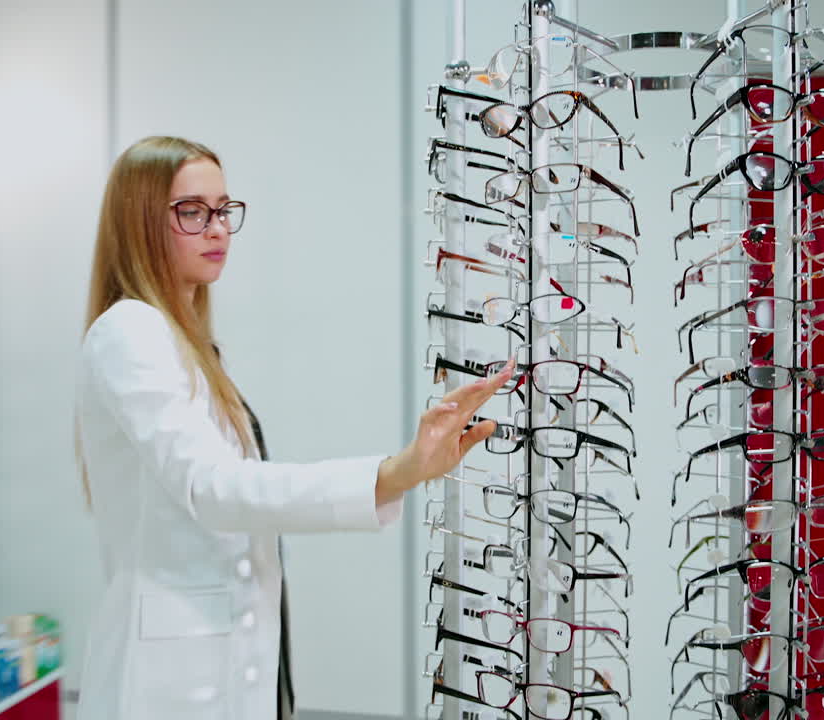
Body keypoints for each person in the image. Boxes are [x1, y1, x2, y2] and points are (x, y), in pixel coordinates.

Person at [73, 136, 512, 719]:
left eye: (224, 210)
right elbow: (214, 489)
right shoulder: (130, 333)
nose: (217, 229)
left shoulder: (189, 345)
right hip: (168, 686)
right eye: (192, 211)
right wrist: (394, 473)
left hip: (228, 669)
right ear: (138, 223)